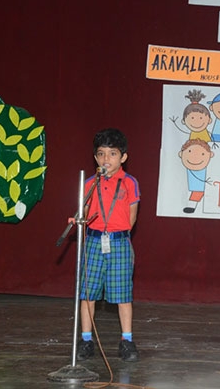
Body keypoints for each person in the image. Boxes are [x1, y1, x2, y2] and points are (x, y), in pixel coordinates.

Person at [75, 128, 141, 362]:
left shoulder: (130, 183)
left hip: (119, 242)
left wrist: (116, 232)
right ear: (95, 157)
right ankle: (86, 340)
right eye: (101, 154)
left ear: (123, 157)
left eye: (112, 154)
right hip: (93, 242)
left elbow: (132, 218)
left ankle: (127, 341)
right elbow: (83, 212)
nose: (106, 159)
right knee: (87, 294)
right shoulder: (89, 183)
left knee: (123, 295)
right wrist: (80, 219)